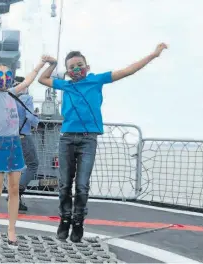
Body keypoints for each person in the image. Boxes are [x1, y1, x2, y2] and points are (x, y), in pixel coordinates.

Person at [37, 43, 168, 242]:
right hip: (67, 138)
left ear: (87, 67)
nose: (76, 69)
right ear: (67, 71)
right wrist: (53, 64)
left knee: (82, 185)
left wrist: (153, 54)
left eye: (79, 65)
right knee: (64, 184)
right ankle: (65, 219)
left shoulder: (96, 80)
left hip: (88, 139)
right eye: (71, 67)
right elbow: (42, 79)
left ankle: (78, 221)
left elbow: (127, 71)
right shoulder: (65, 84)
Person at [0, 41, 49, 249]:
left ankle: (11, 230)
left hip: (15, 143)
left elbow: (27, 80)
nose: (5, 78)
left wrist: (39, 65)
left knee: (15, 189)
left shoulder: (12, 93)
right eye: (0, 75)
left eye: (8, 75)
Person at [13, 90, 40, 212]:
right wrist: (36, 121)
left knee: (15, 167)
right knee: (33, 165)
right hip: (23, 136)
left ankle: (15, 198)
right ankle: (15, 193)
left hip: (10, 137)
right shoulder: (27, 98)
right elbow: (30, 117)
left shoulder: (8, 97)